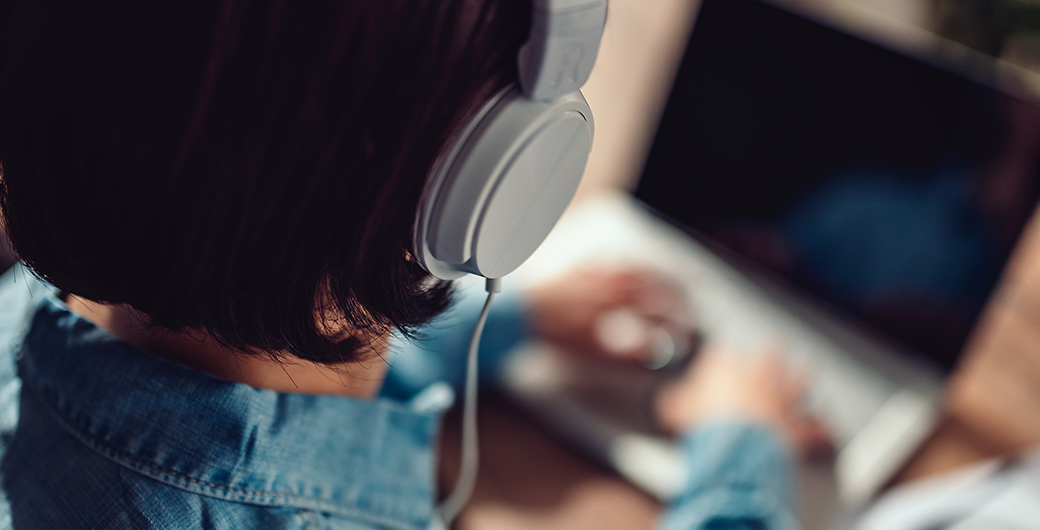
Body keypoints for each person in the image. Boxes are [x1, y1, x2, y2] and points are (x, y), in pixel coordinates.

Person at [0, 1, 824, 528]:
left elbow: (236, 342)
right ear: (480, 180)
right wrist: (740, 461)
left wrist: (509, 322)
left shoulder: (34, 306)